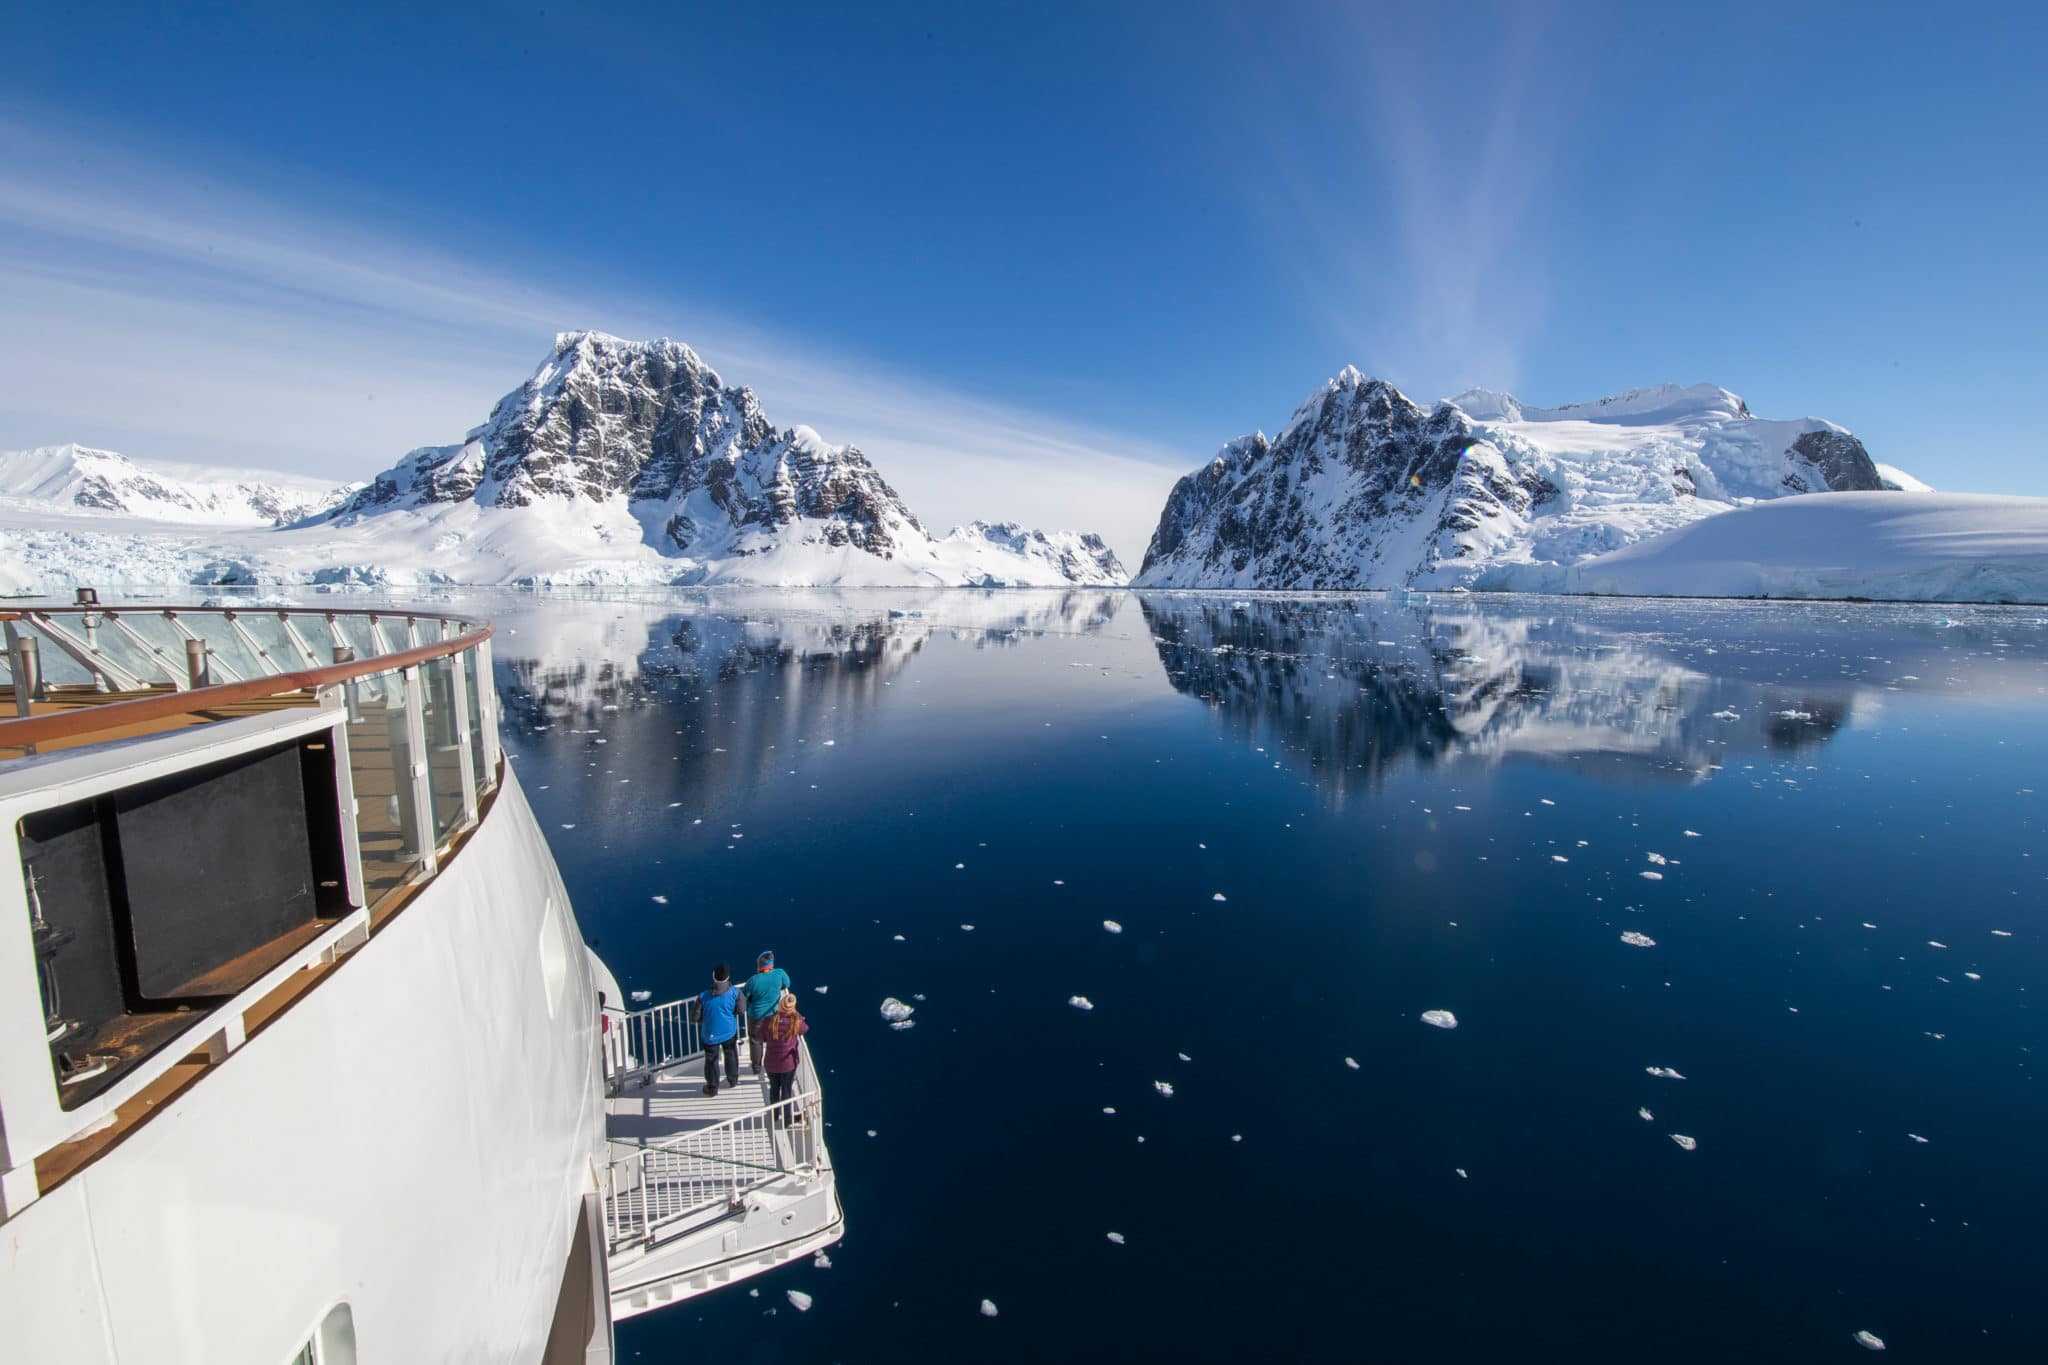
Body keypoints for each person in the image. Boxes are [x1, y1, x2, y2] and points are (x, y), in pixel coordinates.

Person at [758, 990, 809, 1122]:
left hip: (770, 1062)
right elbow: (805, 1029)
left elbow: (760, 1037)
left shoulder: (769, 1020)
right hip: (788, 1063)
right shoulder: (795, 1022)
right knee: (786, 1090)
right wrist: (796, 1014)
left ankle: (775, 1114)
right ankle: (787, 1119)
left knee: (774, 1088)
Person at [739, 950, 792, 1075]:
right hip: (773, 1015)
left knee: (756, 1041)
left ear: (759, 966)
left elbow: (744, 995)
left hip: (756, 1016)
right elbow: (787, 984)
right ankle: (773, 1064)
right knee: (773, 1039)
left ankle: (756, 1068)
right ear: (771, 964)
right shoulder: (779, 973)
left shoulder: (753, 980)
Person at [696, 963, 742, 1096]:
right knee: (731, 1054)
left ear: (713, 977)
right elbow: (741, 1010)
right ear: (727, 978)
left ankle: (712, 1087)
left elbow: (695, 1016)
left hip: (710, 1034)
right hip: (729, 1032)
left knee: (711, 1060)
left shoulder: (703, 996)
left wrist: (705, 1019)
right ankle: (733, 1080)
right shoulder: (735, 992)